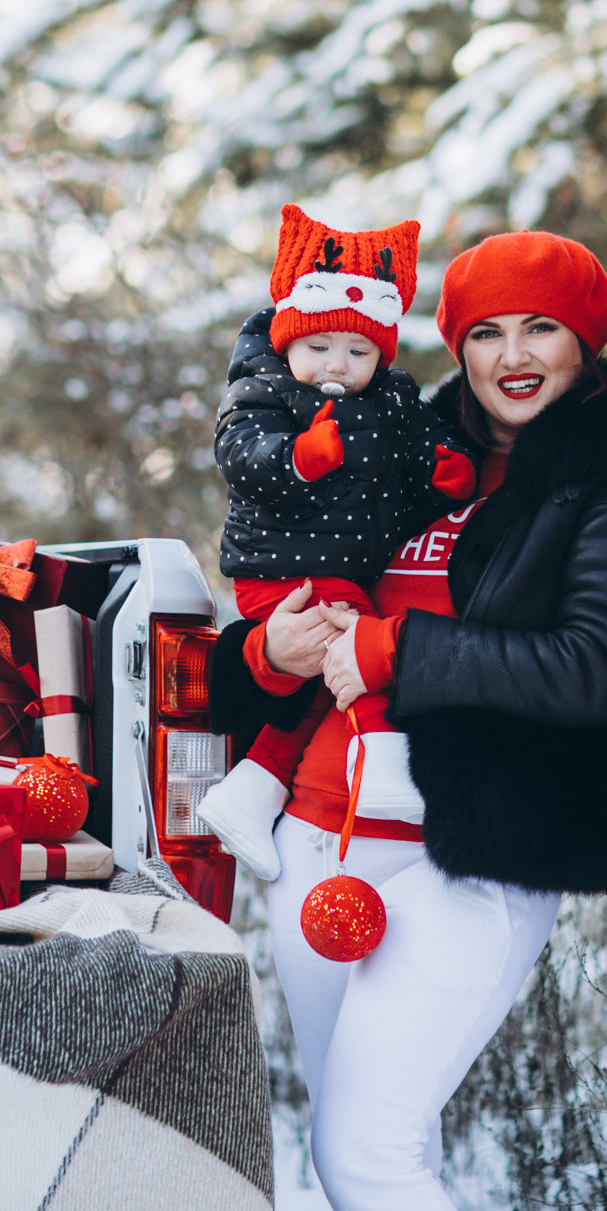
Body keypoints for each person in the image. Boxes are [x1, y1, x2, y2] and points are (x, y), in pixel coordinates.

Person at [205, 230, 607, 1211]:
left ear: (584, 342)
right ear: (453, 344)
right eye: (488, 330)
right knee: (346, 1163)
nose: (515, 353)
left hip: (468, 857)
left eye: (543, 328)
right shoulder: (402, 450)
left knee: (366, 1155)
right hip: (316, 843)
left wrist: (394, 650)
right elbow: (295, 589)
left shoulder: (605, 481)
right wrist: (269, 651)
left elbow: (594, 664)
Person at [199, 205, 478, 869]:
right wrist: (297, 459)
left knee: (323, 678)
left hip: (343, 566)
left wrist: (443, 473)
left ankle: (252, 790)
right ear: (289, 340)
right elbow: (242, 453)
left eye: (358, 352)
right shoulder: (267, 392)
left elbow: (415, 460)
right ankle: (381, 767)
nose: (338, 365)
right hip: (281, 567)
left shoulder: (390, 401)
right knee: (360, 643)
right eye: (319, 346)